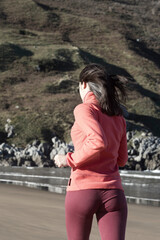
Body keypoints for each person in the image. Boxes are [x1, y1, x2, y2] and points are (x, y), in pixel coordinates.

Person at [54, 63, 128, 240]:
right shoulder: (118, 117)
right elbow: (122, 159)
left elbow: (97, 142)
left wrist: (67, 159)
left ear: (84, 84)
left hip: (82, 192)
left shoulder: (84, 109)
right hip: (113, 193)